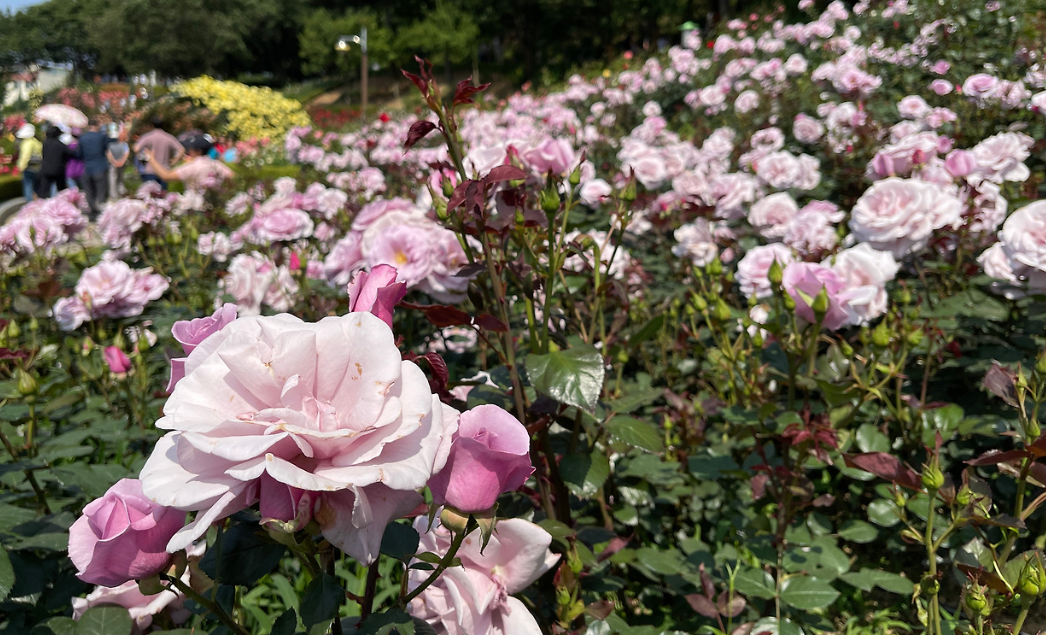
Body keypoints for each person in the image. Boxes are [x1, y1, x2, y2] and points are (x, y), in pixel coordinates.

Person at [141, 134, 233, 189]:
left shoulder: (194, 165)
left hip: (196, 209)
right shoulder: (216, 164)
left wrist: (151, 159)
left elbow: (166, 176)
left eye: (191, 149)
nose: (189, 151)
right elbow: (232, 176)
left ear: (198, 151)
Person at [133, 117, 183, 191]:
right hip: (164, 170)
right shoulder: (168, 137)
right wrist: (174, 161)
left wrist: (144, 155)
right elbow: (181, 149)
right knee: (162, 196)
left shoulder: (147, 137)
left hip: (150, 170)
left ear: (151, 125)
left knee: (149, 196)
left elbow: (136, 148)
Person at [78, 119, 110, 218]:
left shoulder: (82, 138)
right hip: (100, 168)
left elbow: (79, 154)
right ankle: (101, 212)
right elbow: (106, 148)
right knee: (101, 191)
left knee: (89, 192)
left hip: (87, 169)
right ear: (97, 126)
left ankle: (92, 212)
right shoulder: (101, 136)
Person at [37, 127, 73, 198]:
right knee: (62, 191)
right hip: (58, 170)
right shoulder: (60, 145)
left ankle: (43, 205)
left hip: (46, 169)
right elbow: (70, 153)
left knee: (44, 191)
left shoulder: (45, 143)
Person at [15, 123, 42, 201]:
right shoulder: (36, 142)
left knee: (28, 186)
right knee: (36, 187)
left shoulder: (26, 143)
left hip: (29, 168)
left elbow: (25, 156)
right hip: (37, 167)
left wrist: (21, 166)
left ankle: (29, 204)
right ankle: (39, 203)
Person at [106, 126, 130, 200]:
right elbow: (126, 152)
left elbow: (108, 153)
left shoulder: (110, 143)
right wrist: (121, 161)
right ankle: (119, 192)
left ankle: (115, 194)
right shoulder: (122, 144)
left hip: (114, 164)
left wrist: (114, 161)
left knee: (113, 178)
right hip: (120, 163)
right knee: (119, 178)